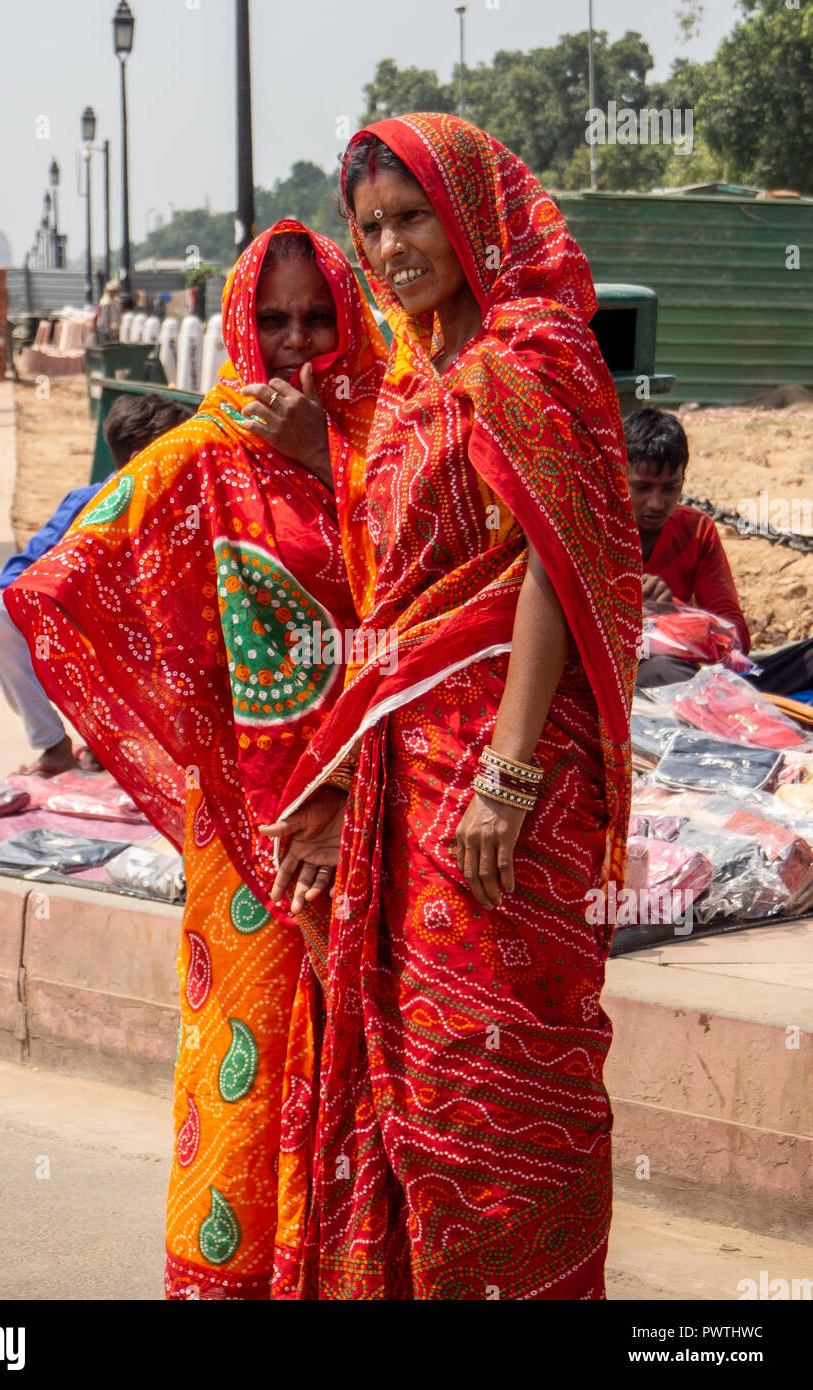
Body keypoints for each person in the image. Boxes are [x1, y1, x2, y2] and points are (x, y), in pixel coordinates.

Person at [261, 114, 641, 1300]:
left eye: (411, 217)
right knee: (418, 1073)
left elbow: (552, 561)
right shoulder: (415, 375)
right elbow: (405, 595)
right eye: (370, 228)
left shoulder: (535, 355)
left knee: (507, 1064)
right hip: (408, 767)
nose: (389, 248)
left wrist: (510, 773)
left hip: (507, 780)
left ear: (470, 211)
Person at [2, 220, 386, 1299]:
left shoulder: (385, 441)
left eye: (320, 317)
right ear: (238, 325)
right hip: (246, 826)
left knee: (357, 1056)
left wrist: (325, 457)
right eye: (274, 320)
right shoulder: (204, 452)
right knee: (248, 1045)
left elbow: (424, 588)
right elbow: (55, 580)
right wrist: (191, 711)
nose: (299, 341)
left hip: (369, 803)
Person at [0, 393, 191, 776]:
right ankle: (54, 746)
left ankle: (125, 745)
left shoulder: (192, 509)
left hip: (164, 654)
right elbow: (27, 567)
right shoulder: (89, 503)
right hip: (95, 642)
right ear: (141, 460)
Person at [627, 407, 813, 695]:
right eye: (642, 488)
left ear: (683, 484)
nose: (656, 503)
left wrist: (672, 614)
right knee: (672, 670)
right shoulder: (596, 531)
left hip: (704, 674)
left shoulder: (697, 530)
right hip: (638, 676)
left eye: (669, 489)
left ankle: (734, 702)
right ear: (617, 479)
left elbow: (736, 636)